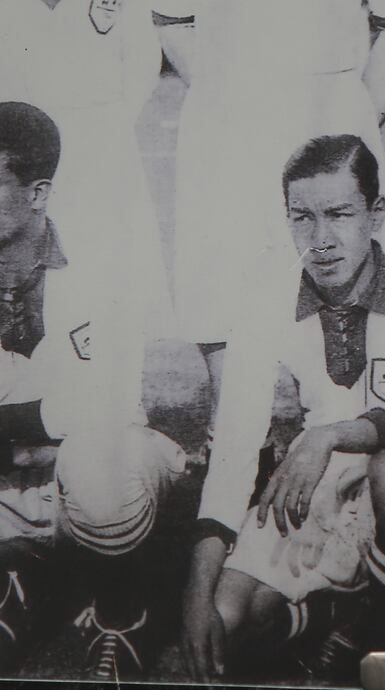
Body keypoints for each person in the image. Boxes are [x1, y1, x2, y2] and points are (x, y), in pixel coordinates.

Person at [181, 135, 385, 684]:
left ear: (376, 214)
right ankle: (333, 611)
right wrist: (197, 593)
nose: (320, 240)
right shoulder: (267, 290)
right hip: (323, 477)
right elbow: (235, 445)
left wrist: (323, 437)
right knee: (227, 622)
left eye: (339, 214)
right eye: (303, 218)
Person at [168, 0, 385, 436]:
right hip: (226, 117)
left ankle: (348, 429)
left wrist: (350, 126)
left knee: (340, 265)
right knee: (222, 278)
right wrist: (224, 94)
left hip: (327, 102)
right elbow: (172, 21)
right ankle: (235, 445)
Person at [0, 102, 186, 681]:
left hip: (90, 476)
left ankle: (124, 613)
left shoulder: (101, 263)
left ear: (38, 193)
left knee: (101, 467)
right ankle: (22, 580)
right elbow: (69, 410)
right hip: (11, 487)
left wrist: (16, 430)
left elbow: (105, 405)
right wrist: (45, 428)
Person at [0, 0, 175, 420]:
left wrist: (109, 124)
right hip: (22, 148)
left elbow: (142, 59)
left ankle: (122, 401)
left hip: (101, 143)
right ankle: (23, 397)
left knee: (111, 275)